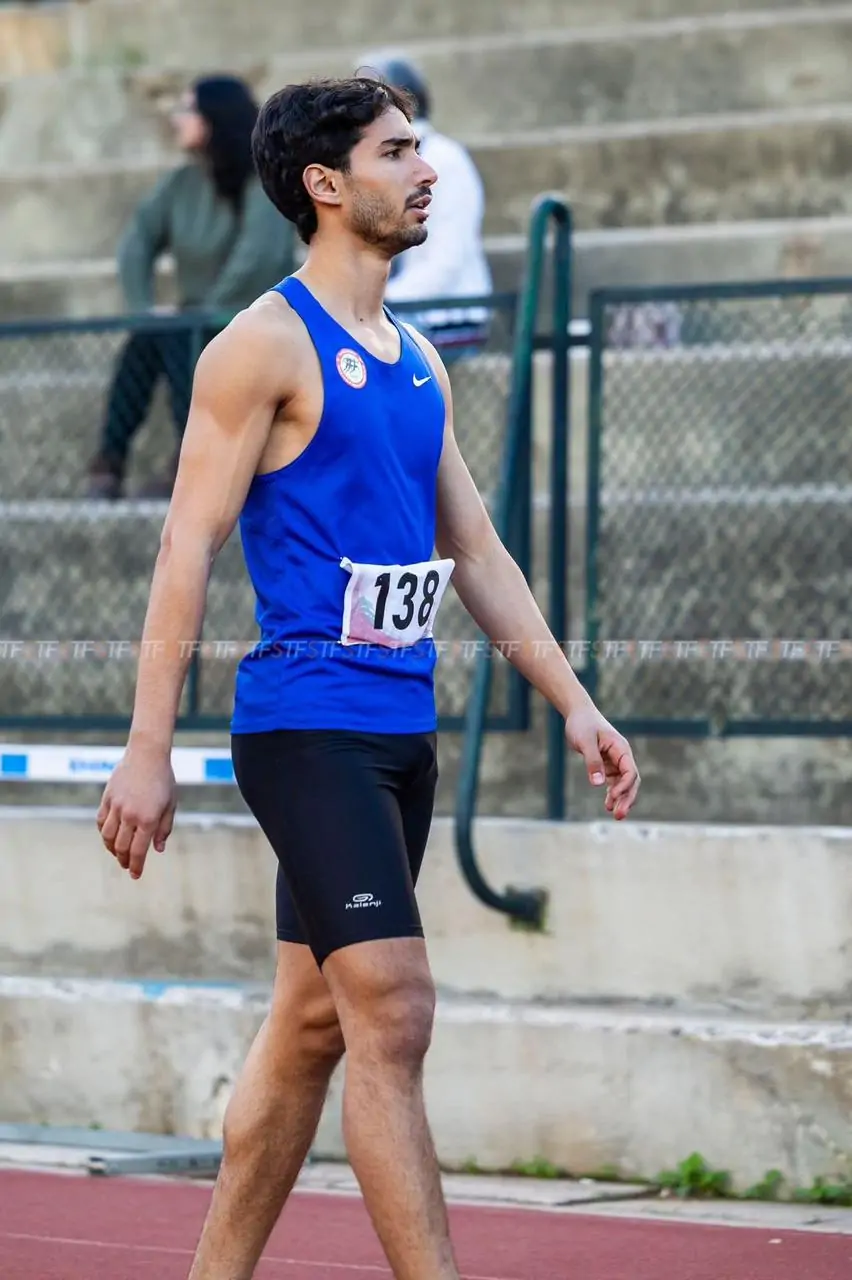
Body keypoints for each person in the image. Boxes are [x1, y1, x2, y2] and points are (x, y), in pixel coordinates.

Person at [96, 76, 640, 1280]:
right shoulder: (262, 345)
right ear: (326, 184)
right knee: (393, 1008)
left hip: (400, 733)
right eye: (397, 153)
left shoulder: (416, 362)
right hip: (307, 727)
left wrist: (577, 702)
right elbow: (186, 543)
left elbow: (477, 552)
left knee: (307, 1029)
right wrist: (147, 746)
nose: (426, 170)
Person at [86, 74, 295, 500]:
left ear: (215, 118)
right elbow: (137, 244)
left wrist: (206, 312)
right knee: (148, 340)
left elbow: (258, 257)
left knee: (183, 338)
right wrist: (143, 309)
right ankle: (109, 462)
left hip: (252, 319)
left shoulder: (262, 182)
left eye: (188, 109)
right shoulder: (180, 183)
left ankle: (194, 461)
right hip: (194, 322)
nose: (177, 118)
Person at [357, 53, 493, 356]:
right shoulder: (372, 161)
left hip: (445, 317)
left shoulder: (445, 159)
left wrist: (383, 297)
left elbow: (448, 257)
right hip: (395, 311)